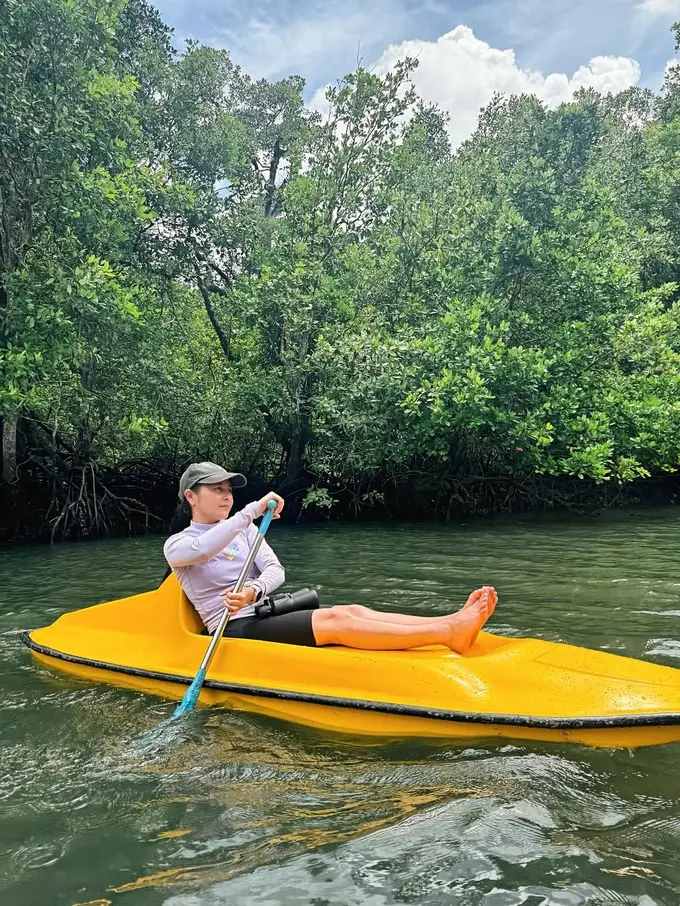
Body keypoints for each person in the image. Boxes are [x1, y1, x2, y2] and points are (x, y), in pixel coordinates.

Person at [164, 462, 497, 651]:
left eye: (229, 489)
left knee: (351, 609)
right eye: (216, 489)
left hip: (261, 611)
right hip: (231, 629)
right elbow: (205, 548)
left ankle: (449, 624)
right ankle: (448, 632)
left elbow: (275, 570)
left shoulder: (245, 530)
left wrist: (254, 591)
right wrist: (250, 511)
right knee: (336, 622)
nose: (226, 496)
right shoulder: (178, 545)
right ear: (191, 496)